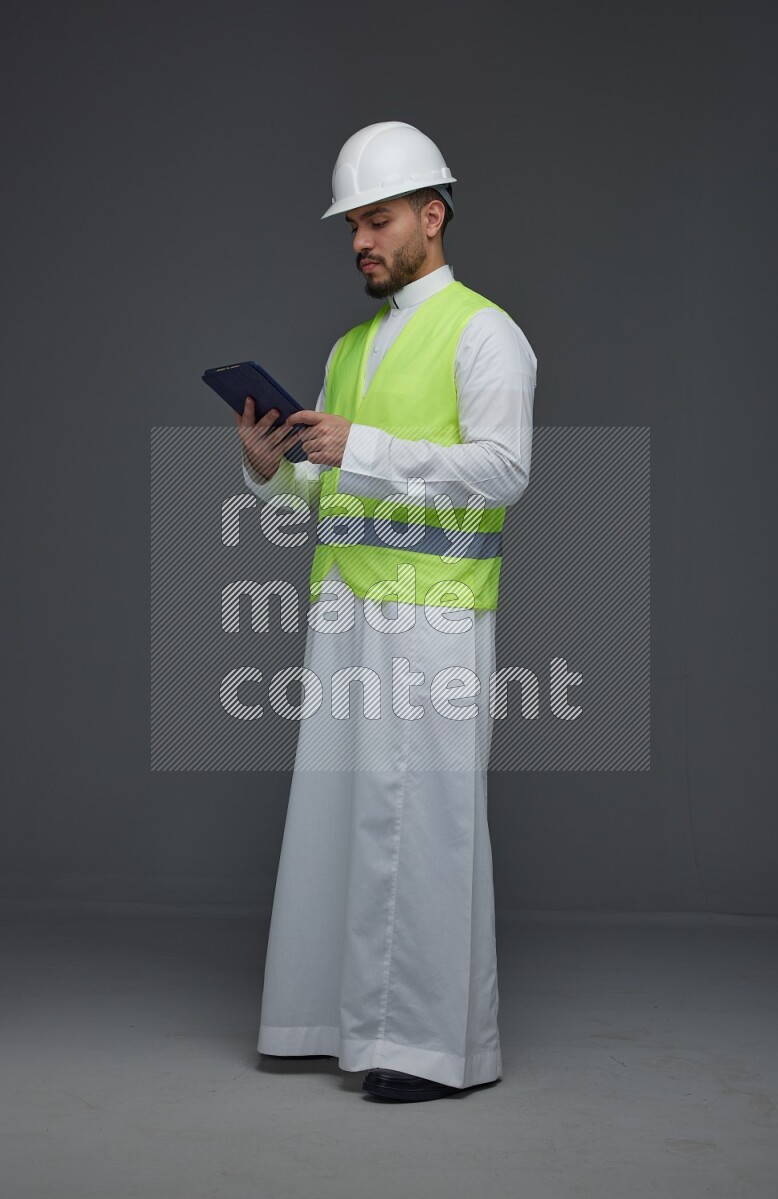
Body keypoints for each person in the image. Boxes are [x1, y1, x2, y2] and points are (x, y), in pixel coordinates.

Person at [235, 121, 537, 1102]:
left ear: (430, 216)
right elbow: (324, 498)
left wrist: (358, 445)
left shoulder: (485, 333)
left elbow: (502, 471)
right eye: (351, 225)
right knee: (343, 821)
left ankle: (431, 1051)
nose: (360, 239)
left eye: (377, 219)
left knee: (424, 827)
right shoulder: (350, 347)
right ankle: (330, 1020)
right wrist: (271, 469)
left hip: (434, 620)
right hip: (345, 616)